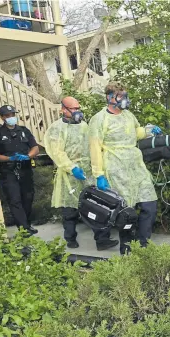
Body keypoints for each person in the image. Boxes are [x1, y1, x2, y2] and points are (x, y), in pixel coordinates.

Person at [88, 82, 162, 255]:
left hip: (136, 166)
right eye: (121, 96)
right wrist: (99, 174)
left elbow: (135, 133)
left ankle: (143, 245)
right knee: (126, 212)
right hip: (115, 168)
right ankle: (127, 249)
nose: (125, 99)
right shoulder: (99, 119)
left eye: (125, 95)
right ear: (109, 97)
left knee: (149, 205)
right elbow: (94, 147)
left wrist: (149, 130)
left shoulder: (128, 115)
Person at [44, 96, 118, 251]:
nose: (77, 111)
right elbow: (57, 152)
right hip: (69, 175)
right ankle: (70, 238)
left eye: (78, 108)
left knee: (96, 205)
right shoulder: (57, 129)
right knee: (70, 209)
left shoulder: (84, 125)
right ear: (63, 109)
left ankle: (102, 240)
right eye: (74, 109)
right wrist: (71, 167)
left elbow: (93, 146)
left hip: (88, 172)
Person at [0, 105, 39, 235]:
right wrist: (9, 158)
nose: (11, 117)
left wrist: (28, 156)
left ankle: (27, 223)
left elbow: (35, 147)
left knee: (28, 197)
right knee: (15, 199)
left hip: (25, 169)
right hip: (8, 171)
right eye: (8, 116)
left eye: (12, 114)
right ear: (2, 117)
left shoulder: (23, 130)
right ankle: (23, 229)